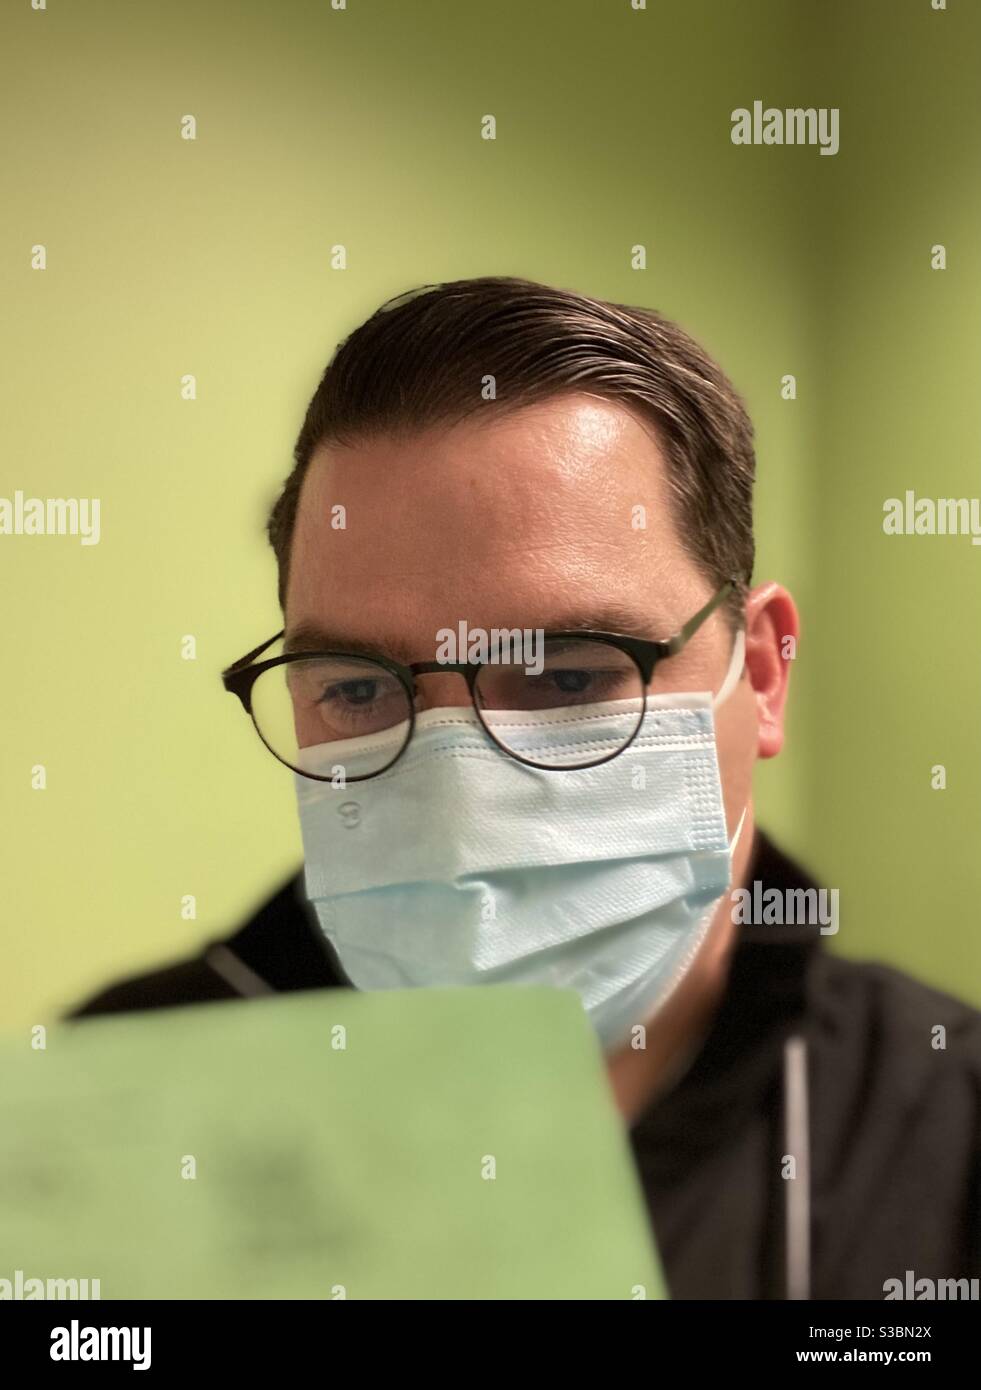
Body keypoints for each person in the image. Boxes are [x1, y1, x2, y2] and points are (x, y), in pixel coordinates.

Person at [69, 277, 981, 1300]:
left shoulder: (948, 1133)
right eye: (360, 688)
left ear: (761, 674)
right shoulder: (113, 1097)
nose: (462, 807)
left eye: (566, 676)